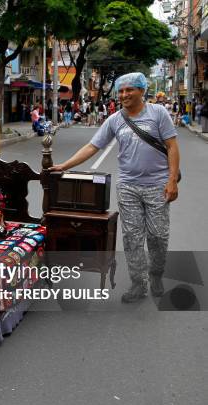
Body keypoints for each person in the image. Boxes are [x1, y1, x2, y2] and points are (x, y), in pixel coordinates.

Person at [50, 72, 180, 303]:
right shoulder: (115, 119)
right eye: (120, 91)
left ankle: (156, 274)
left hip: (157, 185)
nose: (124, 95)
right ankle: (138, 283)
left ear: (142, 90)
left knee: (158, 235)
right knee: (131, 237)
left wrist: (171, 181)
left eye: (129, 89)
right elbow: (92, 147)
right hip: (128, 186)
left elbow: (172, 146)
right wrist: (64, 165)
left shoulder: (158, 113)